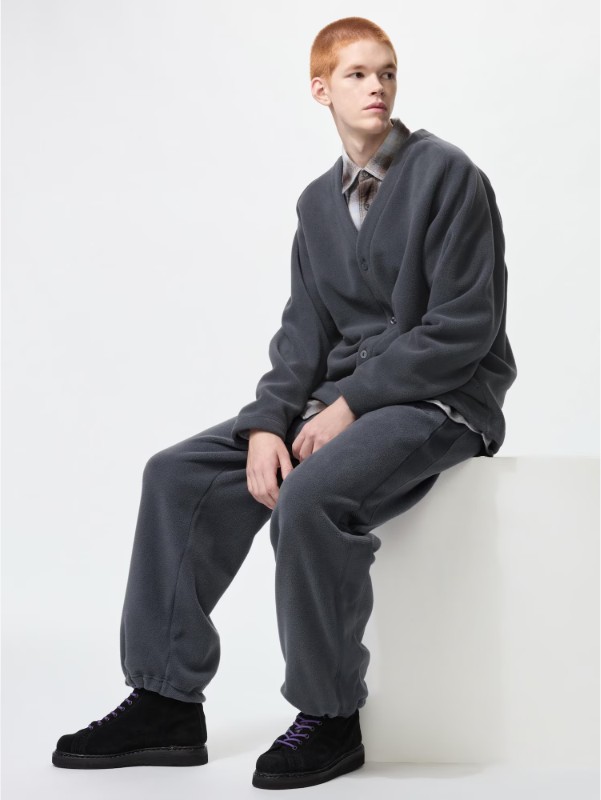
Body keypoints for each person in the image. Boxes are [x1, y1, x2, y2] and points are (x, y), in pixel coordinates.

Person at [52, 15, 517, 790]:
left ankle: (329, 717)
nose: (376, 88)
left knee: (310, 498)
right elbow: (302, 338)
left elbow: (463, 326)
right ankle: (165, 701)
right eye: (357, 74)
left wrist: (351, 405)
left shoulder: (447, 174)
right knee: (176, 476)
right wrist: (270, 423)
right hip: (341, 401)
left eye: (387, 72)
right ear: (320, 90)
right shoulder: (315, 206)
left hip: (442, 398)